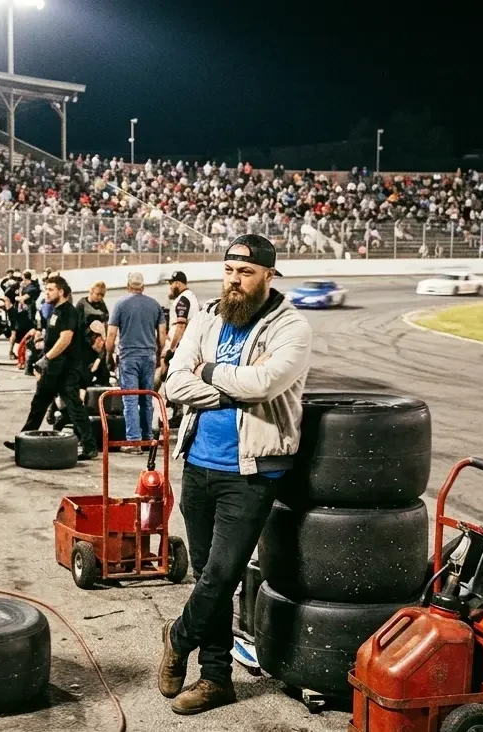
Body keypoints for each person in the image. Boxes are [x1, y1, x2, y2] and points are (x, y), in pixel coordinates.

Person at [157, 234, 312, 715]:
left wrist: (208, 374)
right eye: (229, 271)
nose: (234, 281)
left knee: (222, 575)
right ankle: (216, 680)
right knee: (208, 576)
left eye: (245, 273)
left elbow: (265, 383)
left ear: (268, 275)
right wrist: (229, 387)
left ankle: (179, 637)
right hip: (198, 464)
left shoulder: (291, 327)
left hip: (252, 472)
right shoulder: (207, 317)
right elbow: (174, 382)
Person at [5, 275, 98, 461]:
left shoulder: (68, 312)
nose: (46, 293)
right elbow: (52, 340)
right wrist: (44, 361)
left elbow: (65, 339)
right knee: (39, 405)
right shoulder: (55, 311)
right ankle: (23, 442)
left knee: (73, 407)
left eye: (50, 290)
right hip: (53, 369)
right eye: (46, 289)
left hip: (65, 369)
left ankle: (89, 446)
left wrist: (45, 359)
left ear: (61, 292)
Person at [105, 272, 167, 451]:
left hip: (128, 357)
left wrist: (108, 354)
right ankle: (147, 439)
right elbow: (162, 335)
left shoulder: (120, 304)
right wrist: (159, 352)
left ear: (127, 286)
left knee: (130, 399)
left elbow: (111, 334)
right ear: (143, 287)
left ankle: (133, 441)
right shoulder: (154, 305)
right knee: (147, 398)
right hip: (149, 356)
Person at [158, 271, 201, 391]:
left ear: (177, 283)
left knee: (166, 372)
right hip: (189, 344)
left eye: (171, 284)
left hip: (179, 345)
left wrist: (171, 349)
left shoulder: (182, 300)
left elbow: (181, 326)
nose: (170, 287)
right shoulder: (191, 297)